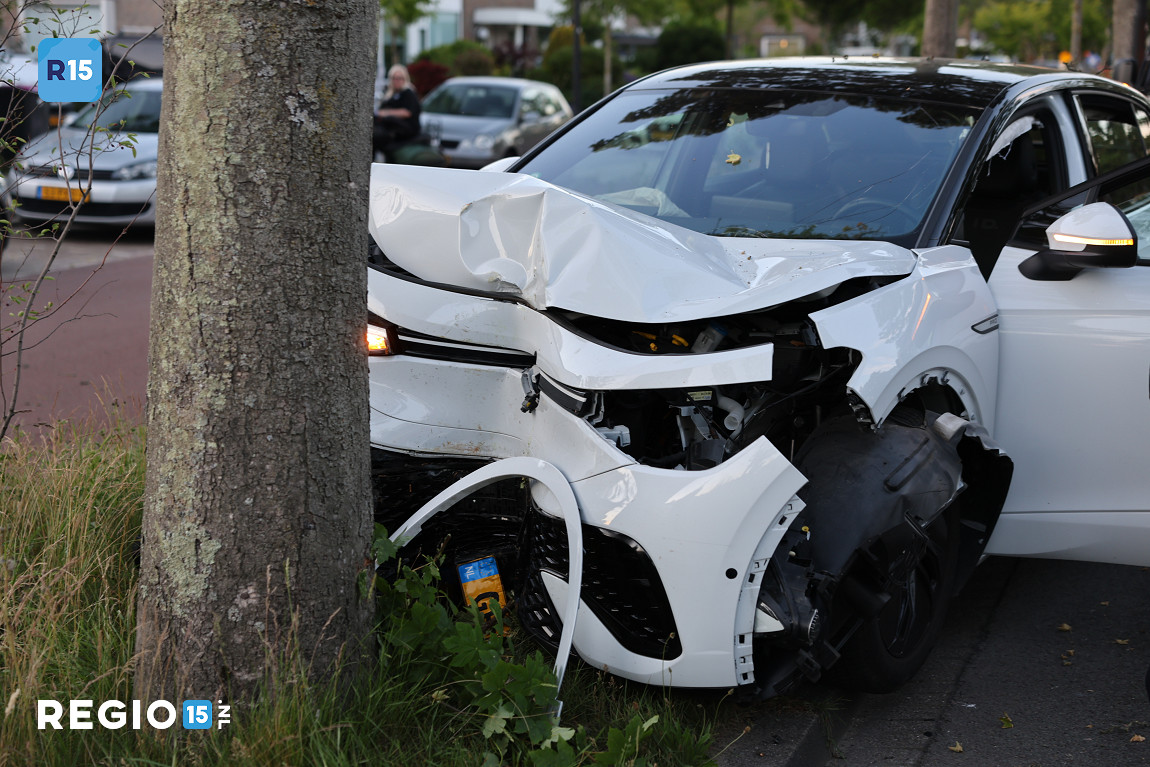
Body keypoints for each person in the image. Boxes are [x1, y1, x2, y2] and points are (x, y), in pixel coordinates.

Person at [373, 64, 421, 159]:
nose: (396, 81)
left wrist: (386, 113)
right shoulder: (390, 95)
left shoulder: (408, 93)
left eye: (399, 78)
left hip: (406, 131)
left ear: (405, 79)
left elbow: (407, 112)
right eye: (394, 78)